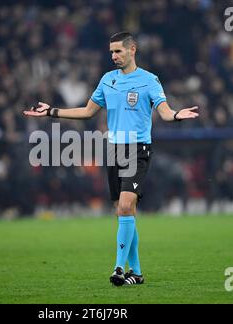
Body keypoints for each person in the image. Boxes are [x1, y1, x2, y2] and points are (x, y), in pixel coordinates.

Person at [23, 31, 199, 286]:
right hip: (114, 150)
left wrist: (177, 115)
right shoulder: (108, 80)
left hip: (138, 150)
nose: (114, 56)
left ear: (132, 50)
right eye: (111, 52)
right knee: (124, 212)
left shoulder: (149, 80)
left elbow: (165, 112)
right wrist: (51, 111)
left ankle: (118, 268)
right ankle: (136, 274)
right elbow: (87, 111)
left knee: (125, 207)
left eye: (118, 51)